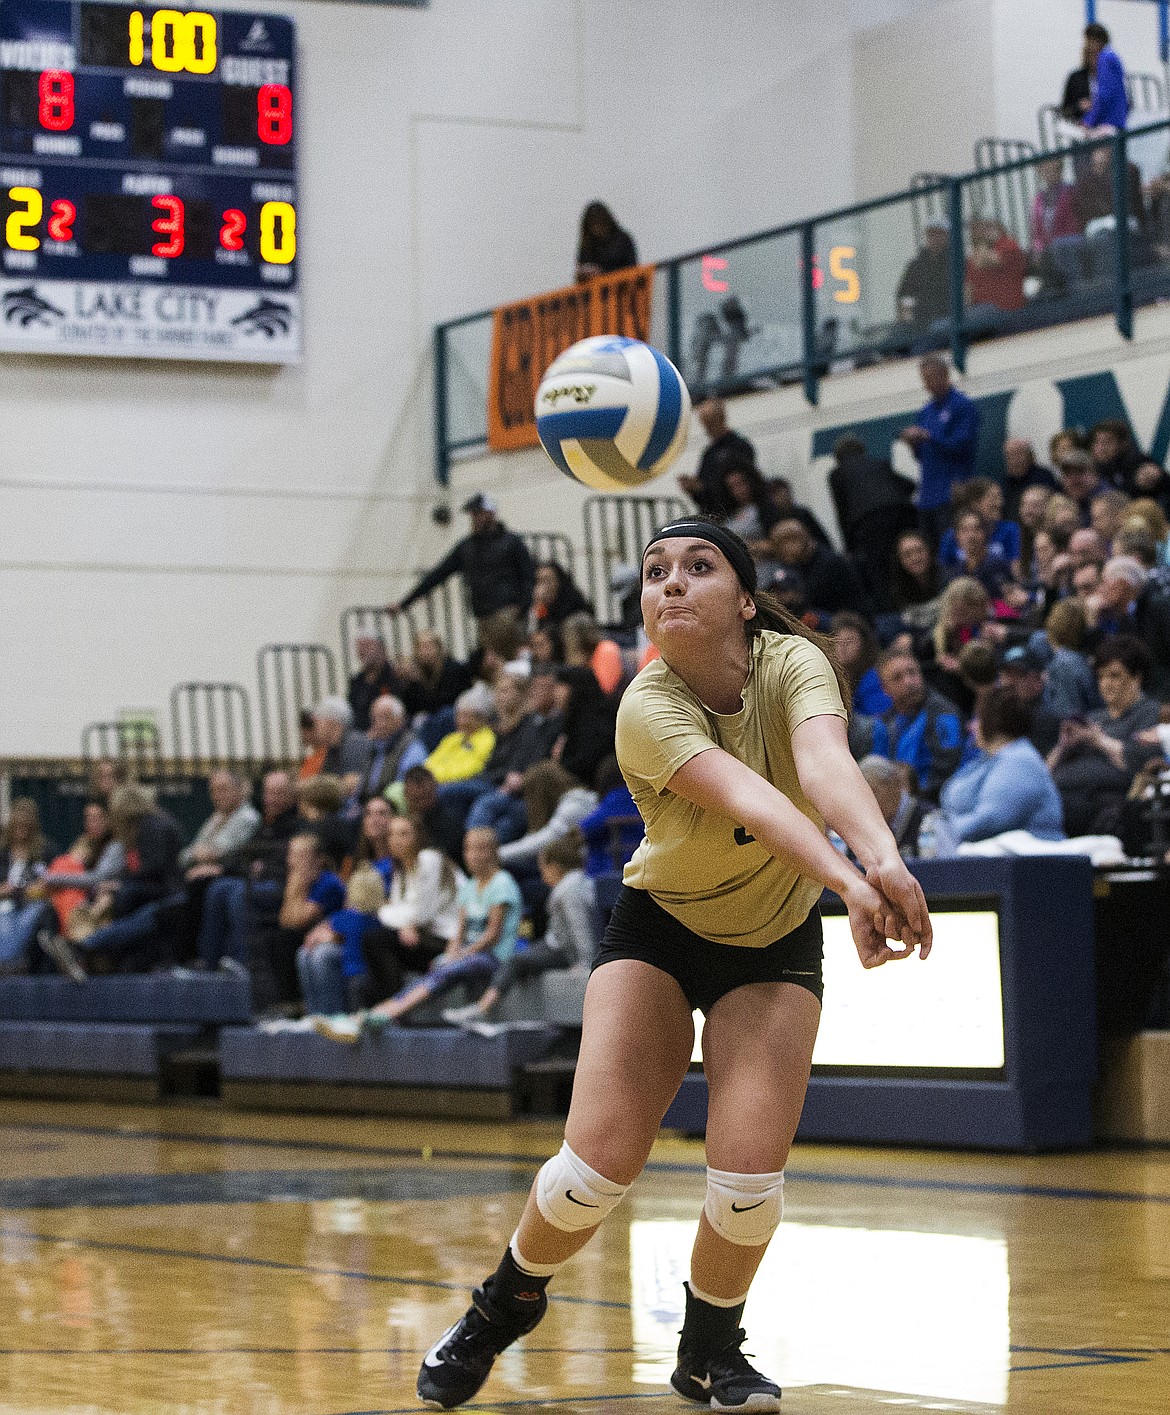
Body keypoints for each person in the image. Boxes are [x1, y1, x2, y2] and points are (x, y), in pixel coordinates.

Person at [413, 517, 930, 1412]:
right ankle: (503, 1303)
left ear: (744, 597)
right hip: (661, 928)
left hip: (771, 939)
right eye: (656, 573)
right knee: (591, 1174)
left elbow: (823, 761)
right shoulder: (645, 706)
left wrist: (882, 857)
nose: (673, 583)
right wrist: (851, 881)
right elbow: (759, 803)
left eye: (699, 566)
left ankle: (707, 1349)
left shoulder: (795, 661)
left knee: (746, 1185)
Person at [323, 827, 522, 1037]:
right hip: (470, 954)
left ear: (494, 852)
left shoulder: (502, 883)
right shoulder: (470, 887)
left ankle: (388, 1014)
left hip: (495, 956)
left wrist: (461, 954)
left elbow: (492, 935)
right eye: (469, 849)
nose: (473, 855)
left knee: (452, 967)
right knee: (441, 963)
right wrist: (452, 952)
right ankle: (369, 1015)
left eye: (481, 849)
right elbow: (459, 932)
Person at [444, 833, 598, 1033]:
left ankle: (482, 1008)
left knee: (515, 961)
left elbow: (580, 928)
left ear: (555, 866)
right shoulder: (575, 883)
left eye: (543, 867)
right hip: (556, 945)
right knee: (523, 960)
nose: (542, 874)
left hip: (561, 950)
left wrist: (586, 964)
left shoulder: (569, 890)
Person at [40, 784, 184, 980]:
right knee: (122, 902)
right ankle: (84, 952)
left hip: (170, 899)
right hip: (158, 894)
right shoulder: (143, 828)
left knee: (134, 911)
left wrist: (120, 884)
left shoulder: (152, 827)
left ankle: (82, 948)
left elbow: (155, 870)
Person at [390, 495, 536, 653]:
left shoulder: (512, 543)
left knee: (512, 661)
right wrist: (405, 603)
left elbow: (528, 576)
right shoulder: (467, 547)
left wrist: (522, 607)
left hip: (507, 613)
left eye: (479, 513)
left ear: (491, 513)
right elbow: (437, 575)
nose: (475, 518)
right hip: (483, 616)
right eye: (474, 514)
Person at [1049, 636, 1161, 836]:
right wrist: (1062, 745)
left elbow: (1139, 762)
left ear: (1136, 677)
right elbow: (1047, 771)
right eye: (1101, 677)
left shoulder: (1151, 714)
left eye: (1114, 676)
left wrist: (1097, 740)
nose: (1105, 684)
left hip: (1106, 804)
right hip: (1062, 794)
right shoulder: (1092, 718)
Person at [360, 814, 464, 1004]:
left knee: (376, 940)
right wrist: (401, 921)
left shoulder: (429, 859)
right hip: (424, 934)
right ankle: (382, 1008)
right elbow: (397, 912)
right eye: (391, 835)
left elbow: (421, 914)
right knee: (370, 936)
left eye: (404, 834)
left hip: (450, 939)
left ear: (418, 836)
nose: (396, 840)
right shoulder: (402, 869)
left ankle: (390, 1007)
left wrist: (389, 913)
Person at [939, 688, 1064, 844]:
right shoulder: (987, 759)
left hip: (1030, 861)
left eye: (977, 719)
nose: (970, 726)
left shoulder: (1020, 760)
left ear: (992, 721)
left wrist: (939, 833)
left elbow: (992, 819)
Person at [900, 356, 981, 547]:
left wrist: (929, 436)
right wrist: (913, 443)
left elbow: (962, 446)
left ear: (945, 375)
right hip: (927, 496)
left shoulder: (962, 406)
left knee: (953, 548)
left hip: (952, 492)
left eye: (931, 378)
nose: (927, 384)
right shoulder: (925, 412)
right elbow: (922, 456)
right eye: (924, 379)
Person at [870, 648, 966, 802]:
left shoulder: (944, 715)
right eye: (897, 677)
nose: (908, 682)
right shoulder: (884, 723)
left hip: (932, 802)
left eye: (912, 672)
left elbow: (947, 772)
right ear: (885, 689)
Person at [295, 867, 387, 1021]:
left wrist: (325, 936)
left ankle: (324, 1015)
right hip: (367, 974)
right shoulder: (377, 919)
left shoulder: (346, 917)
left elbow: (315, 936)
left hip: (352, 974)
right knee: (307, 953)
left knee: (314, 954)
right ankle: (318, 1016)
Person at [762, 517, 872, 618]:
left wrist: (792, 598)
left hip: (849, 620)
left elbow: (813, 598)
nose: (779, 553)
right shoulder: (800, 563)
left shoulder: (828, 563)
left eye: (780, 546)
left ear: (794, 541)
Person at [678, 398, 756, 518]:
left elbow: (745, 483)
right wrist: (694, 489)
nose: (707, 429)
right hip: (715, 514)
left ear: (721, 419)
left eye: (711, 423)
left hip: (737, 513)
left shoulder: (740, 447)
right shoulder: (709, 454)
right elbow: (703, 496)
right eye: (705, 424)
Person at [0, 799, 54, 971]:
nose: (22, 830)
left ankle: (9, 964)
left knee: (32, 914)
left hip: (33, 903)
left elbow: (52, 881)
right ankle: (10, 964)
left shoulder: (46, 850)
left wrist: (34, 890)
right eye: (18, 826)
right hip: (4, 905)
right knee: (5, 919)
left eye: (26, 826)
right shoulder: (3, 852)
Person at [552, 665, 618, 790]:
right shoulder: (566, 719)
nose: (556, 692)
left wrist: (560, 762)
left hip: (589, 788)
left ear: (575, 688)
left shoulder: (598, 722)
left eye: (560, 686)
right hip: (572, 786)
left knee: (543, 774)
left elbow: (585, 763)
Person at [856, 756, 934, 859]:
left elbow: (947, 869)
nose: (868, 803)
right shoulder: (859, 826)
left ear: (894, 784)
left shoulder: (929, 820)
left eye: (874, 792)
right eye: (863, 796)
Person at [577, 755, 643, 877]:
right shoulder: (642, 796)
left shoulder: (616, 798)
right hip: (642, 865)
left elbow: (586, 829)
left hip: (610, 872)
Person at [396, 630, 474, 726]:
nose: (426, 651)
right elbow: (410, 707)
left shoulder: (454, 669)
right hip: (426, 721)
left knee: (446, 714)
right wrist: (409, 681)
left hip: (451, 716)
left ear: (439, 648)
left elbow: (454, 699)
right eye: (421, 647)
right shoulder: (414, 675)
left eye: (429, 646)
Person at [999, 644, 1062, 756]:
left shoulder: (1047, 718)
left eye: (1019, 675)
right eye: (1006, 674)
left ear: (1038, 681)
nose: (1009, 682)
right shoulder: (997, 713)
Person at [361, 694, 428, 800]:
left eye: (385, 718)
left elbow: (404, 790)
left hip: (393, 807)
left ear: (400, 719)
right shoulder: (372, 746)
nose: (379, 724)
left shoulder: (412, 747)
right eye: (375, 718)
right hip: (368, 806)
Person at [425, 687, 497, 785]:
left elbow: (473, 769)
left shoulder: (487, 739)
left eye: (467, 716)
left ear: (481, 718)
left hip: (458, 784)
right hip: (435, 782)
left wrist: (434, 778)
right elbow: (430, 762)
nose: (461, 721)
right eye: (459, 715)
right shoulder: (452, 738)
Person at [895, 221, 952, 333]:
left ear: (948, 237)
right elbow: (904, 295)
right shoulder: (916, 266)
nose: (935, 238)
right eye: (931, 234)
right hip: (919, 321)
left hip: (947, 320)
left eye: (939, 234)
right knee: (897, 335)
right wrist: (907, 320)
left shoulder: (956, 263)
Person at [830, 612, 890, 717]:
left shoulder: (874, 677)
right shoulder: (831, 676)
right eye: (838, 641)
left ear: (864, 645)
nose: (843, 647)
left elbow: (878, 717)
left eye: (850, 641)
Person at [966, 218, 1026, 313]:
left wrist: (983, 242)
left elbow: (984, 263)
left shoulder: (1008, 245)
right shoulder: (975, 253)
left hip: (1003, 308)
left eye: (987, 228)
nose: (980, 232)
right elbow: (969, 286)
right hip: (980, 307)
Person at [1081, 22, 1128, 134]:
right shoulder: (1112, 56)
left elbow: (1104, 95)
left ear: (1095, 40)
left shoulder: (1105, 59)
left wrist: (1089, 120)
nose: (1086, 46)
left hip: (1109, 122)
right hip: (1118, 119)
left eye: (1088, 41)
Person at [347, 635, 400, 732]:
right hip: (362, 733)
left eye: (367, 646)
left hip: (389, 730)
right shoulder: (357, 681)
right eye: (360, 647)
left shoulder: (395, 675)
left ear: (381, 649)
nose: (362, 651)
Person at [575, 201, 637, 281]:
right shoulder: (587, 245)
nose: (597, 228)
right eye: (593, 225)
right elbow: (581, 271)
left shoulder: (623, 240)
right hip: (596, 290)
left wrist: (603, 273)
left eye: (600, 223)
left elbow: (632, 270)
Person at [1002, 438, 1058, 524]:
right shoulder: (1005, 482)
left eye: (1019, 454)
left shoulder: (1043, 476)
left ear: (1030, 456)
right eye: (1009, 456)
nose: (1014, 460)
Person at [531, 561, 591, 632]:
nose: (543, 586)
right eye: (539, 581)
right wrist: (539, 605)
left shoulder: (573, 603)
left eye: (547, 580)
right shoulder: (541, 606)